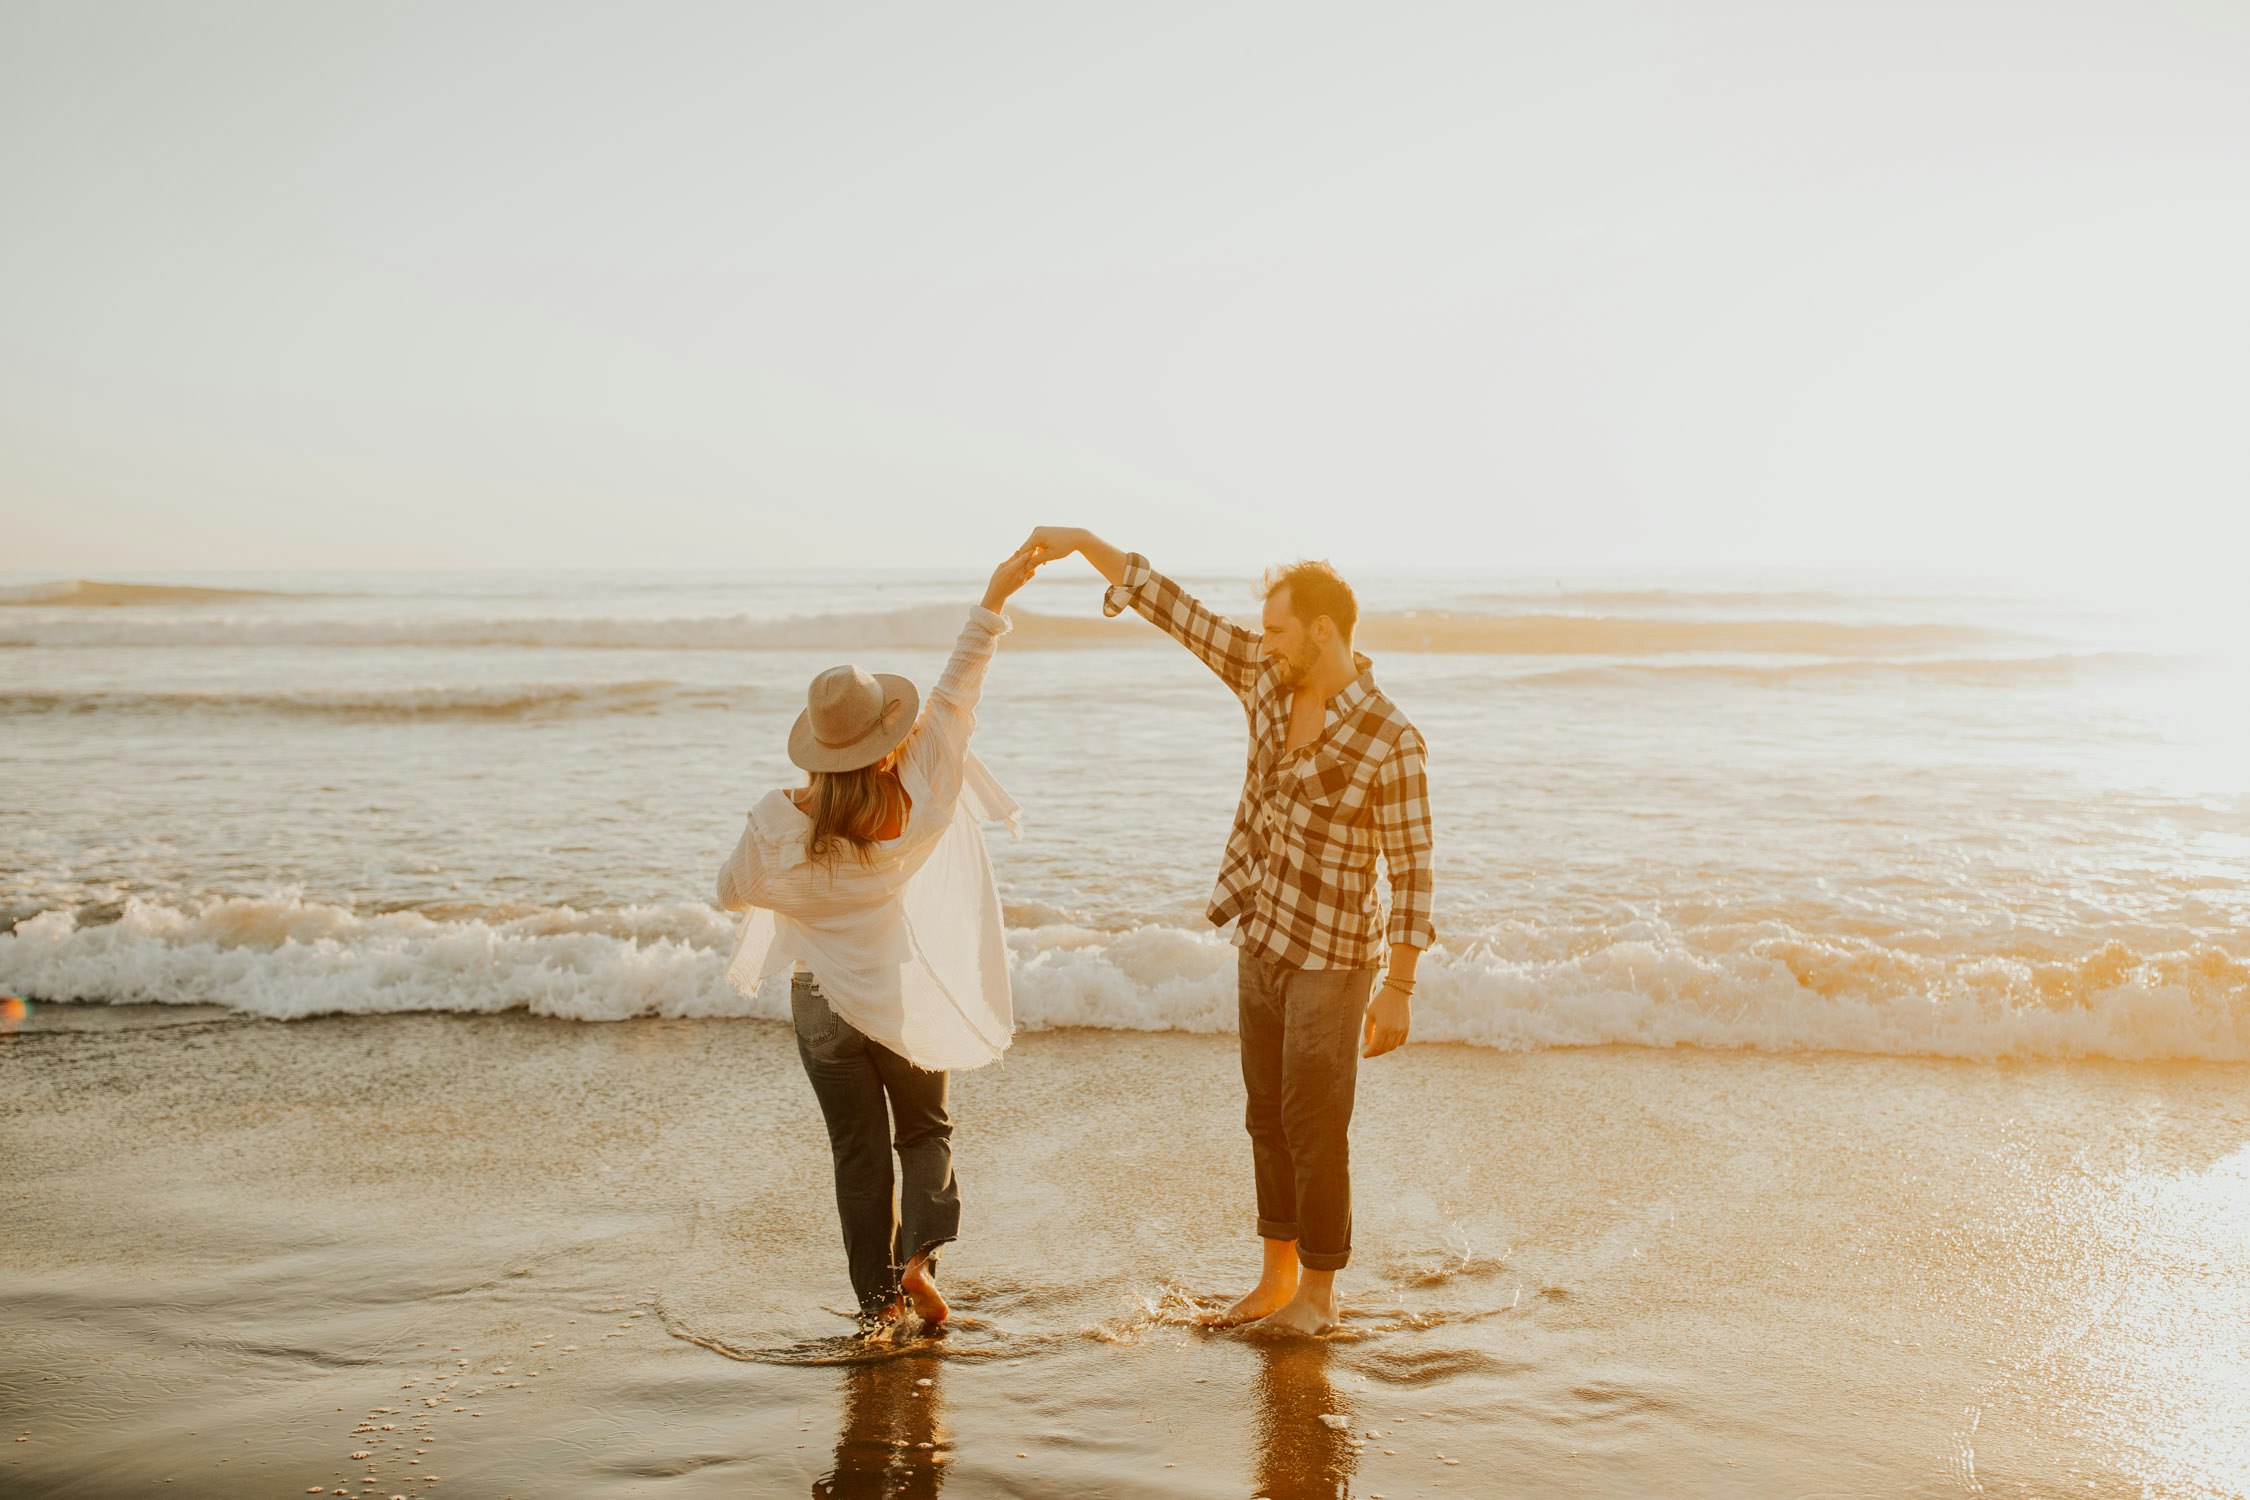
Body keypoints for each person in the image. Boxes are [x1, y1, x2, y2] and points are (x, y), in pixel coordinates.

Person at [1022, 527, 1434, 1336]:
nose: (1265, 641)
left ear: (1322, 629)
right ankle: (1275, 1281)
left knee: (1316, 1127)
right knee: (1266, 1117)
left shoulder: (1392, 738)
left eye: (1279, 628)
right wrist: (1081, 544)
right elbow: (1175, 608)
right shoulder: (1266, 679)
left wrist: (1401, 988)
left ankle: (1320, 1297)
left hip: (1335, 958)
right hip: (1265, 939)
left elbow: (1413, 871)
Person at [716, 543, 1042, 1331]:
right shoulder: (924, 787)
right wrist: (995, 592)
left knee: (856, 1157)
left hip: (823, 1009)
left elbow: (731, 894)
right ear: (886, 734)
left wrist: (787, 825)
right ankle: (920, 1259)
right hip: (897, 992)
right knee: (925, 1129)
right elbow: (961, 685)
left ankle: (878, 1308)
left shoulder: (780, 820)